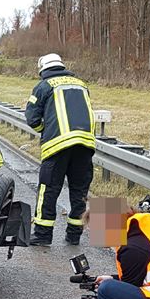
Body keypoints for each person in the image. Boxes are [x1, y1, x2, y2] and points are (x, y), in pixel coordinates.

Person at [24, 53, 96, 246]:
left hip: (57, 146)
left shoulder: (43, 86)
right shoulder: (81, 84)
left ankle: (42, 235)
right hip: (85, 144)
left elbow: (31, 118)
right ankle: (74, 236)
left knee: (48, 190)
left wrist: (45, 130)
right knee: (79, 192)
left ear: (42, 68)